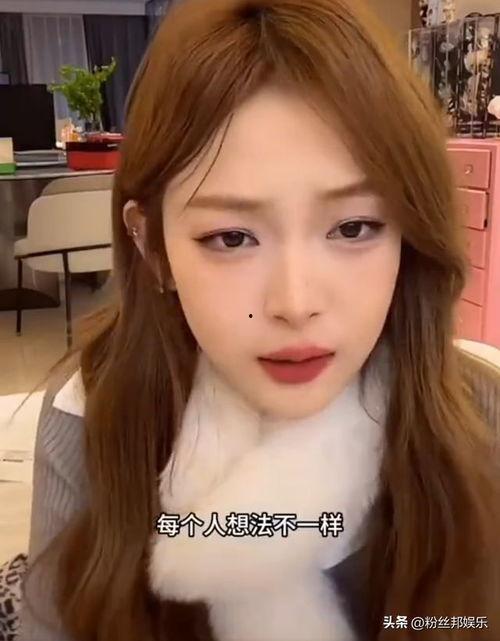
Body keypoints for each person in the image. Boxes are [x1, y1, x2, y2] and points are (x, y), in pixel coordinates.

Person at [20, 0, 500, 640]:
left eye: (353, 227)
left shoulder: (477, 413)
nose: (294, 303)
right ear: (152, 247)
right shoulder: (93, 413)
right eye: (231, 238)